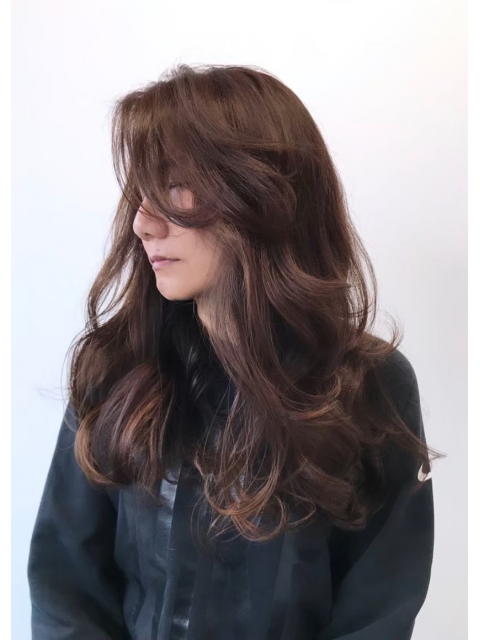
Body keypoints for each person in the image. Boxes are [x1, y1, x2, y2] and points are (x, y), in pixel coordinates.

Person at [27, 63, 442, 640]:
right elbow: (65, 586)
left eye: (175, 186)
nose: (144, 224)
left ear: (264, 194)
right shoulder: (116, 369)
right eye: (141, 193)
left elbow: (380, 606)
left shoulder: (369, 385)